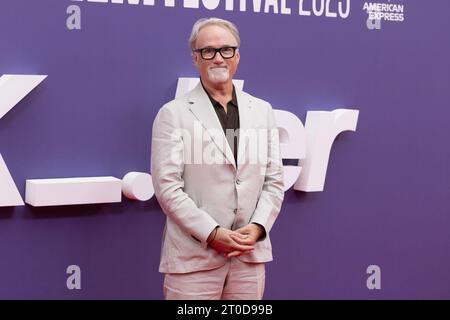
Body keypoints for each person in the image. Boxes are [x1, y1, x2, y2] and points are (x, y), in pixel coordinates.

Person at [151, 17, 284, 300]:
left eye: (226, 50)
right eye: (208, 51)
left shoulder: (262, 110)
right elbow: (167, 189)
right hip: (193, 261)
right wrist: (212, 234)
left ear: (237, 55)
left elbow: (274, 181)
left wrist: (258, 227)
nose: (218, 58)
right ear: (195, 59)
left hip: (249, 257)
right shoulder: (173, 114)